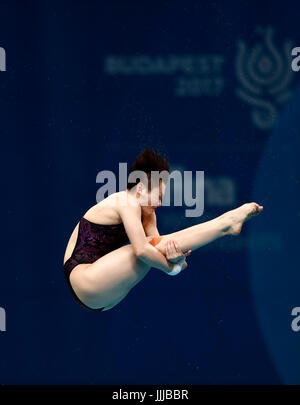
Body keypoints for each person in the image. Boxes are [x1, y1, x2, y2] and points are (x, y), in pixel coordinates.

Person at [63, 148, 263, 312]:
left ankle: (225, 224)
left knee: (156, 248)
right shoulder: (126, 200)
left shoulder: (148, 215)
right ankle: (224, 224)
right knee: (143, 250)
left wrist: (176, 259)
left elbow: (162, 251)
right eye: (158, 196)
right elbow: (143, 251)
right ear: (140, 188)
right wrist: (172, 267)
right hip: (84, 278)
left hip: (103, 294)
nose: (160, 203)